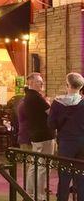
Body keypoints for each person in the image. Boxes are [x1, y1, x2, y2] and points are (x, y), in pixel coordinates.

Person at [48, 72, 84, 201]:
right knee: (81, 177)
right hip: (82, 143)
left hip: (66, 143)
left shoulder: (58, 103)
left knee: (64, 176)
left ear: (67, 85)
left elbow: (51, 124)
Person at [24, 72, 55, 201]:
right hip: (44, 135)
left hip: (36, 134)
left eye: (42, 82)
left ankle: (30, 193)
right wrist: (50, 103)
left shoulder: (28, 96)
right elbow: (51, 113)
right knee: (43, 166)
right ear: (31, 82)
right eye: (39, 82)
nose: (42, 84)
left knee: (34, 165)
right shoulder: (37, 97)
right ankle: (40, 195)